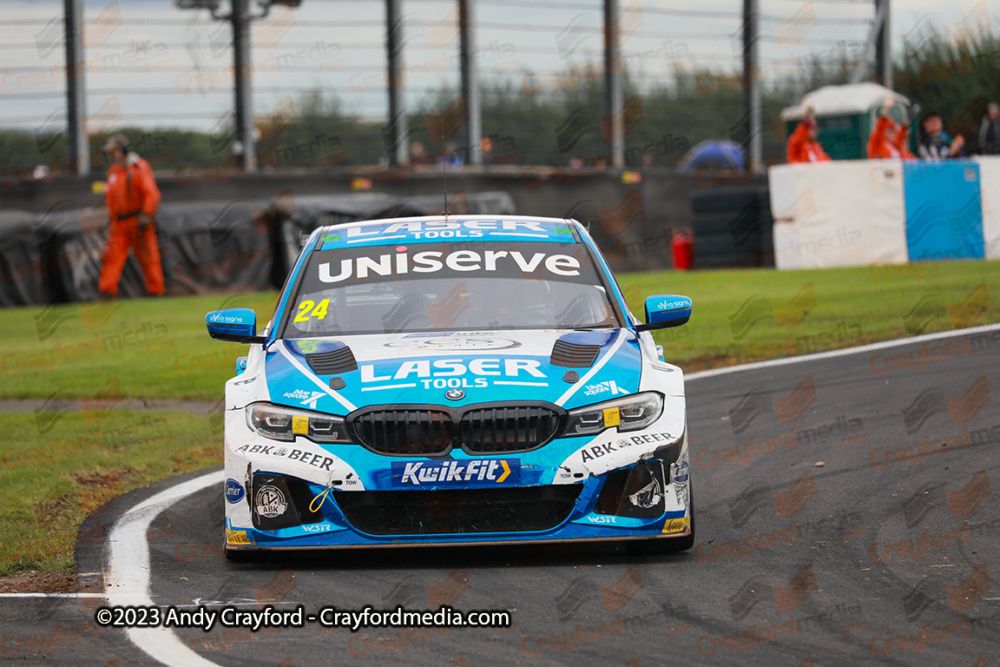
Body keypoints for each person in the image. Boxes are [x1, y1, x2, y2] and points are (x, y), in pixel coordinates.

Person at [98, 133, 164, 298]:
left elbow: (151, 193)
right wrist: (111, 218)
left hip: (139, 220)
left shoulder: (139, 167)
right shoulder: (113, 171)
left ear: (123, 150)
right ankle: (107, 291)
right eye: (110, 152)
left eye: (114, 151)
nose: (112, 155)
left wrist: (146, 213)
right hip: (119, 223)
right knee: (112, 256)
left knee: (148, 256)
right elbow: (111, 198)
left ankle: (155, 291)